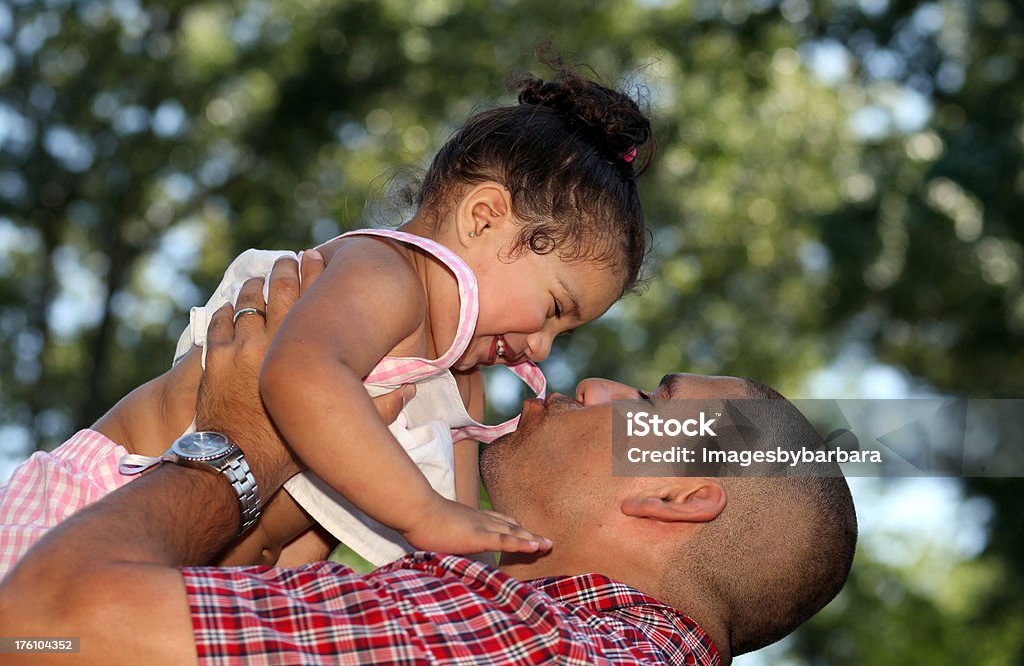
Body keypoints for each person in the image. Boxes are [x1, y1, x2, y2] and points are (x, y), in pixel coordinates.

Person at [0, 258, 857, 665]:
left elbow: (40, 625)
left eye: (652, 405)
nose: (598, 384)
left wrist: (238, 447)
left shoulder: (529, 641)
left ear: (676, 493)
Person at [0, 64, 652, 574]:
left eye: (565, 335)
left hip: (180, 574)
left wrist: (482, 551)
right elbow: (301, 375)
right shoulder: (386, 272)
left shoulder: (459, 385)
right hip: (86, 512)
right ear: (483, 217)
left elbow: (457, 557)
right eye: (555, 308)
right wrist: (421, 511)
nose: (540, 348)